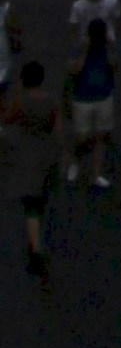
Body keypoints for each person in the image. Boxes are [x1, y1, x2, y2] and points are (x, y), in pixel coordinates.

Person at [62, 0, 117, 193]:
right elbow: (73, 70)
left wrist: (109, 45)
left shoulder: (107, 48)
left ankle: (96, 173)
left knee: (100, 136)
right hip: (83, 97)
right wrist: (84, 49)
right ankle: (75, 160)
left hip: (102, 94)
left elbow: (115, 65)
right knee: (82, 136)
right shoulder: (81, 49)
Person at [10, 61, 55, 284]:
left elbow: (9, 118)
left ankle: (35, 249)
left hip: (27, 155)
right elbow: (57, 129)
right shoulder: (50, 101)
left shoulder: (21, 101)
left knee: (30, 204)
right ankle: (35, 239)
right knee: (41, 199)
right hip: (45, 154)